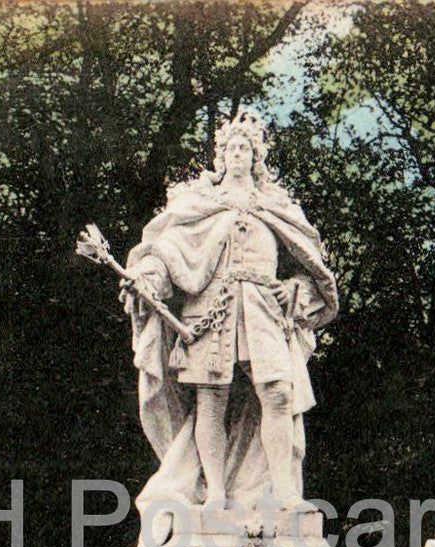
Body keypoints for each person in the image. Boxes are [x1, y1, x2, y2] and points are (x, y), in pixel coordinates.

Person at [123, 109, 339, 519]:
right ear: (220, 156)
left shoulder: (276, 206)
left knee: (277, 392)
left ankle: (285, 492)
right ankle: (217, 494)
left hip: (263, 309)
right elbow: (168, 254)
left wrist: (294, 290)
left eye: (246, 147)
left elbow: (312, 272)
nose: (238, 153)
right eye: (231, 147)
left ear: (256, 157)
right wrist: (147, 279)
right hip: (210, 310)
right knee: (211, 399)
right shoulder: (199, 204)